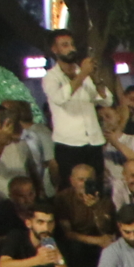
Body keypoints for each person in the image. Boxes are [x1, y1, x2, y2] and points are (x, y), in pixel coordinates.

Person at [39, 31, 109, 187]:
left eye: (72, 44)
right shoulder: (51, 77)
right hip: (69, 144)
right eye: (65, 45)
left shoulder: (84, 74)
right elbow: (60, 98)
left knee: (96, 188)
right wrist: (83, 74)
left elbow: (106, 100)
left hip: (94, 141)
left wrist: (96, 78)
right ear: (54, 50)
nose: (71, 49)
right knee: (72, 191)